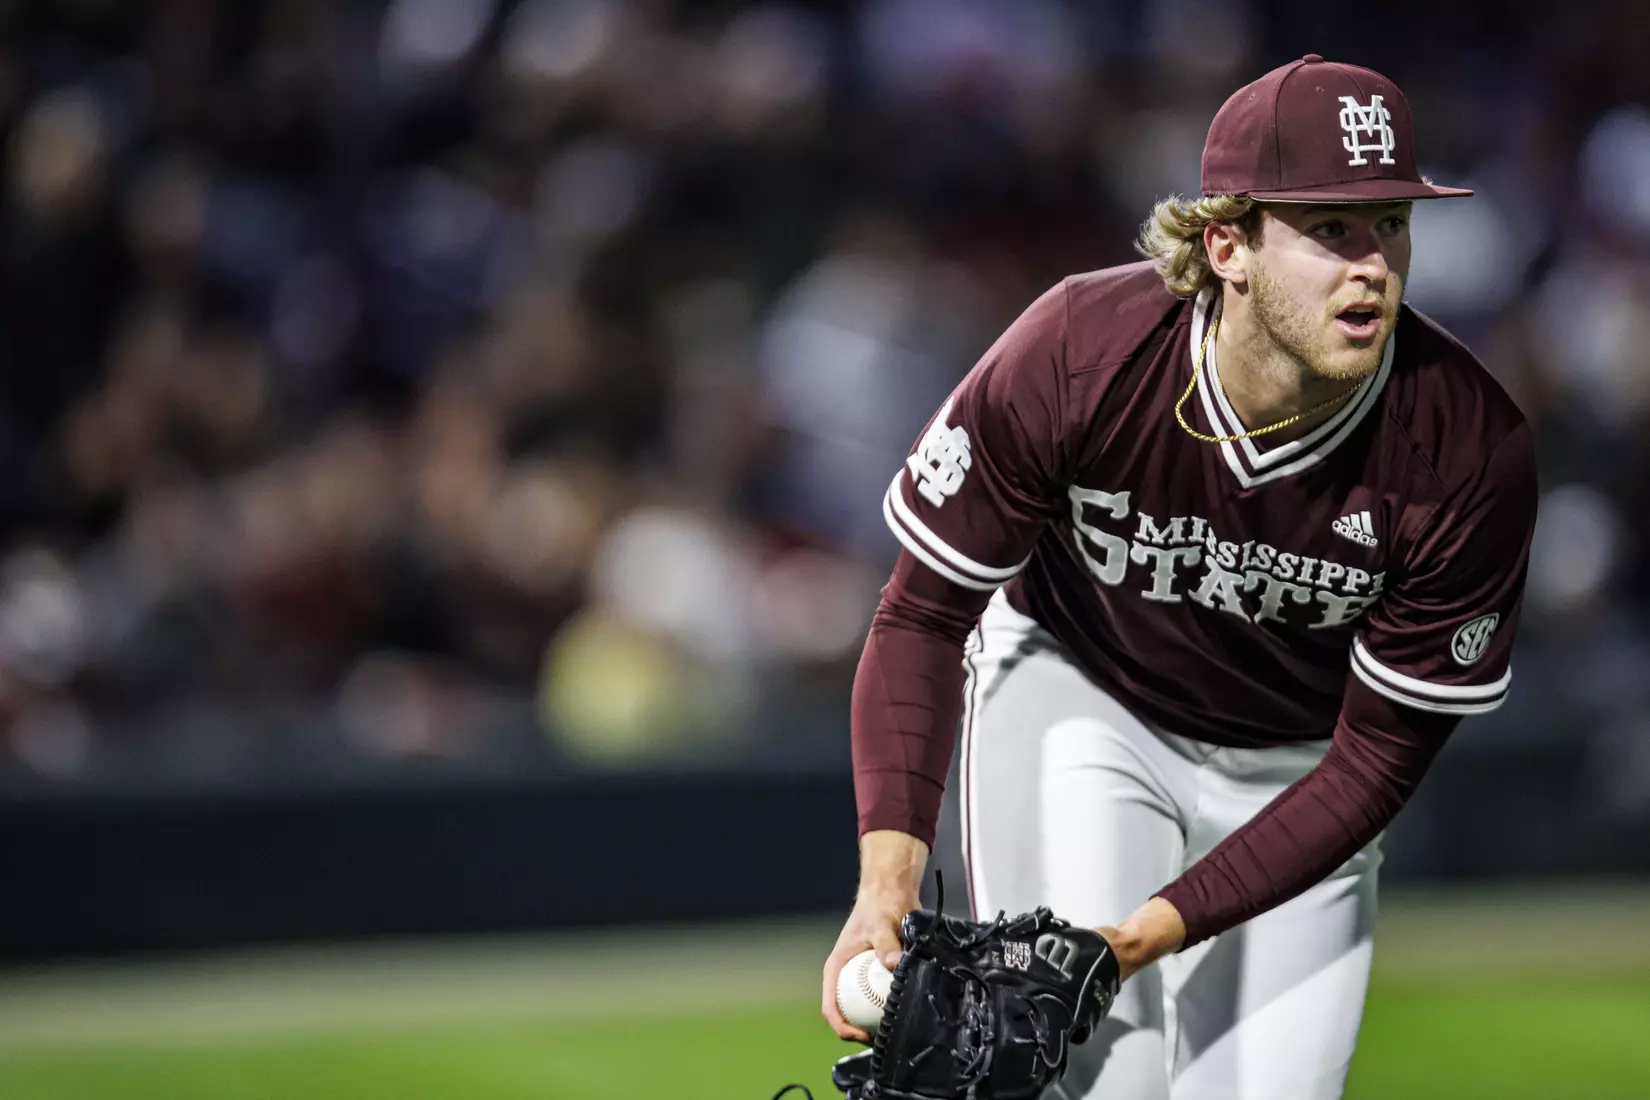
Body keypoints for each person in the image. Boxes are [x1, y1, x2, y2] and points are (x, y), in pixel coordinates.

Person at [820, 55, 1537, 1100]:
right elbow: (924, 614)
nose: (1373, 263)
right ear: (1226, 244)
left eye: (1390, 222)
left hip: (1302, 772)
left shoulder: (1468, 448)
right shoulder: (1079, 352)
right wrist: (884, 889)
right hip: (1083, 699)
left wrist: (1132, 938)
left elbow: (1377, 760)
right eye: (1331, 229)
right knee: (1117, 1086)